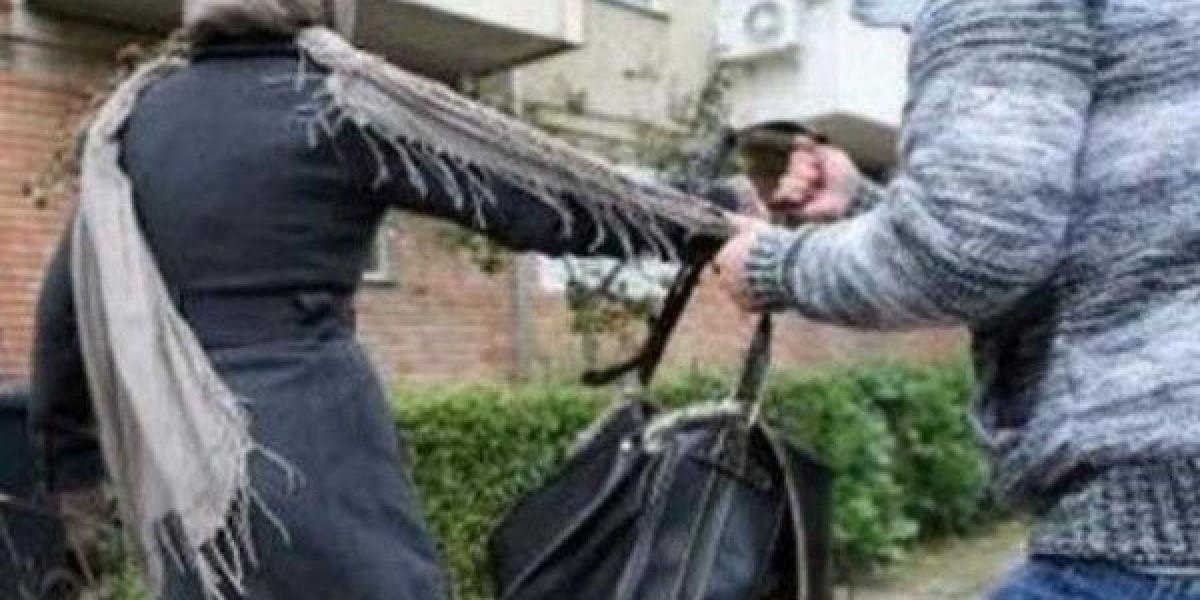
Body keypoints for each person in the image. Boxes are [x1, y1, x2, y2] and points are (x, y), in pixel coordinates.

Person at [29, 1, 734, 598]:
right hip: (319, 451)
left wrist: (75, 483)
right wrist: (708, 221)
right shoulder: (338, 100)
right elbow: (532, 194)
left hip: (185, 470)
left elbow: (63, 319)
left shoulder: (132, 127)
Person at [714, 0, 1200, 598]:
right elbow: (1120, 240)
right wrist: (868, 208)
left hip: (1155, 545)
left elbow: (972, 252)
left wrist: (772, 265)